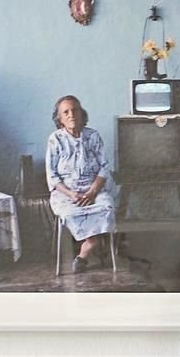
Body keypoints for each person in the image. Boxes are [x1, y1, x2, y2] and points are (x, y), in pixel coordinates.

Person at [46, 95, 116, 273]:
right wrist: (71, 194)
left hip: (94, 189)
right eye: (66, 112)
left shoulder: (93, 136)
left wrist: (92, 192)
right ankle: (94, 241)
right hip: (66, 193)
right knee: (69, 212)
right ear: (59, 118)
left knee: (106, 207)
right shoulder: (55, 139)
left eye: (75, 110)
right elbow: (52, 176)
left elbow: (104, 167)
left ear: (82, 113)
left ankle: (85, 251)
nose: (71, 115)